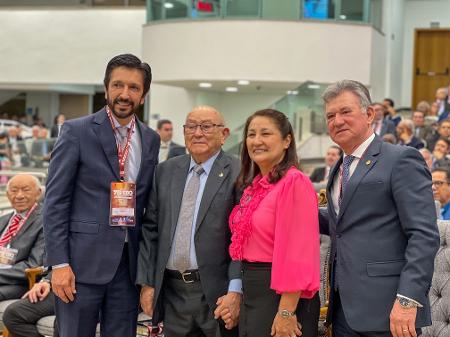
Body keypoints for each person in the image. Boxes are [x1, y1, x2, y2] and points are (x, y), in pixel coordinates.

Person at [43, 53, 159, 337]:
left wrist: (146, 273)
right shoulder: (76, 131)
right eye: (118, 85)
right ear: (106, 87)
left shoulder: (151, 139)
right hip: (79, 267)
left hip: (127, 269)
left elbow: (147, 207)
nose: (124, 94)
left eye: (133, 87)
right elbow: (55, 202)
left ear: (143, 95)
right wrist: (59, 264)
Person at [320, 80, 440, 337]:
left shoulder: (401, 159)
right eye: (330, 115)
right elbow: (340, 223)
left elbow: (424, 234)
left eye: (345, 112)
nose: (337, 120)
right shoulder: (339, 168)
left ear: (370, 114)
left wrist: (408, 299)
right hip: (343, 310)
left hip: (391, 311)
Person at [137, 105, 241, 337]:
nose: (197, 133)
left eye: (206, 127)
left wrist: (236, 290)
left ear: (224, 134)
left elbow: (242, 237)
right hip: (172, 293)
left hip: (217, 294)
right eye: (191, 127)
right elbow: (150, 230)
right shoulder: (164, 171)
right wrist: (147, 283)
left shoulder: (239, 171)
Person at [228, 109, 320, 337]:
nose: (256, 141)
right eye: (251, 134)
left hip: (282, 296)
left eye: (265, 133)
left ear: (286, 140)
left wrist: (286, 312)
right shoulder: (254, 186)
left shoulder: (294, 182)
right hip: (254, 290)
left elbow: (298, 253)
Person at [0, 174, 43, 300]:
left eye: (26, 190)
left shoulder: (46, 221)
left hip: (20, 281)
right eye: (14, 191)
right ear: (7, 194)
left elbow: (34, 265)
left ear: (38, 193)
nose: (19, 196)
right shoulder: (3, 220)